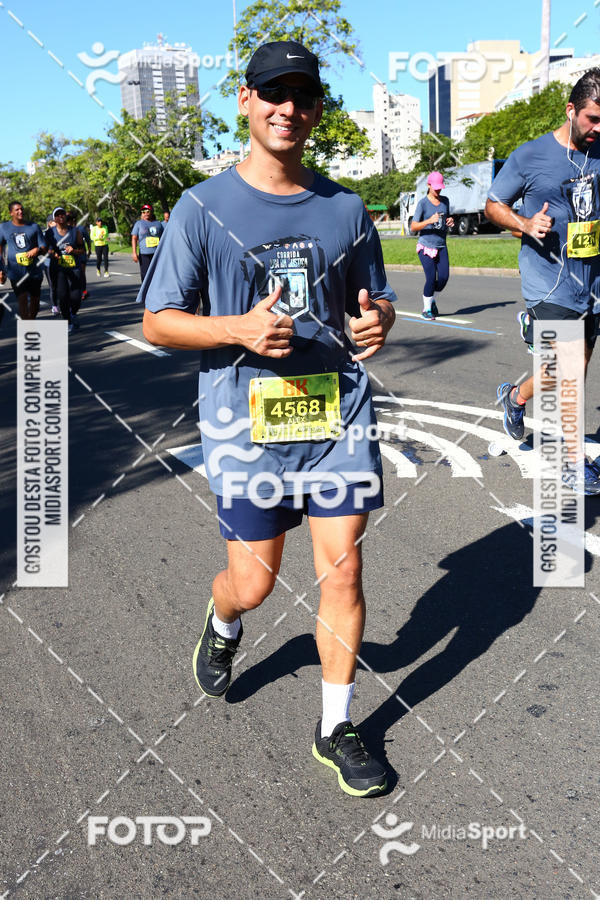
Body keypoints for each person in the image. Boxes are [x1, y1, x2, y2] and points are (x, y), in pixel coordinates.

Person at [141, 39, 396, 797]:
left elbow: (372, 303)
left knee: (343, 569)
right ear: (246, 102)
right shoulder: (201, 207)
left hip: (335, 418)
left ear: (318, 108)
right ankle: (223, 625)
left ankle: (335, 726)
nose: (289, 109)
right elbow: (158, 321)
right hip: (245, 426)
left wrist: (380, 321)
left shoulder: (346, 208)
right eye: (272, 94)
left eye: (303, 96)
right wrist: (236, 330)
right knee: (252, 584)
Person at [485, 67, 600, 495]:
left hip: (593, 280)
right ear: (571, 110)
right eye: (592, 118)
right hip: (549, 280)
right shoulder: (531, 155)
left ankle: (514, 397)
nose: (597, 128)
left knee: (570, 366)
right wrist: (523, 222)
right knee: (568, 367)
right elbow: (493, 204)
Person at [410, 172, 454, 319]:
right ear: (428, 185)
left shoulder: (445, 201)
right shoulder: (422, 203)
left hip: (441, 246)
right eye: (435, 188)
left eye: (440, 188)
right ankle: (426, 309)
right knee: (430, 277)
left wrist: (450, 222)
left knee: (443, 278)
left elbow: (446, 219)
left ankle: (431, 299)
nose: (438, 190)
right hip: (426, 247)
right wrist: (428, 220)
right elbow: (414, 226)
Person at [0, 201, 46, 320]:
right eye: (17, 210)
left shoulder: (33, 226)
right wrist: (1, 268)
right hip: (16, 272)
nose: (20, 211)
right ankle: (28, 326)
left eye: (21, 209)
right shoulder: (4, 227)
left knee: (35, 301)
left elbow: (44, 248)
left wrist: (37, 250)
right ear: (11, 213)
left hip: (34, 271)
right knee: (22, 299)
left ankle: (31, 320)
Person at [47, 206, 85, 334]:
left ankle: (72, 313)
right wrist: (52, 253)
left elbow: (82, 250)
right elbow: (45, 249)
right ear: (55, 218)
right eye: (57, 215)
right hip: (58, 269)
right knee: (63, 296)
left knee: (76, 297)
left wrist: (74, 250)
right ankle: (67, 320)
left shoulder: (75, 232)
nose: (60, 216)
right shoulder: (50, 233)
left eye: (62, 214)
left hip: (74, 267)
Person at [131, 204, 164, 282]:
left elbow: (163, 238)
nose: (145, 213)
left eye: (147, 211)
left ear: (151, 212)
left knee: (157, 274)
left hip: (156, 254)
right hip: (144, 254)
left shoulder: (158, 224)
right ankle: (145, 292)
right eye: (143, 212)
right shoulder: (139, 223)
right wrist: (134, 253)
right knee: (145, 275)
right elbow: (134, 238)